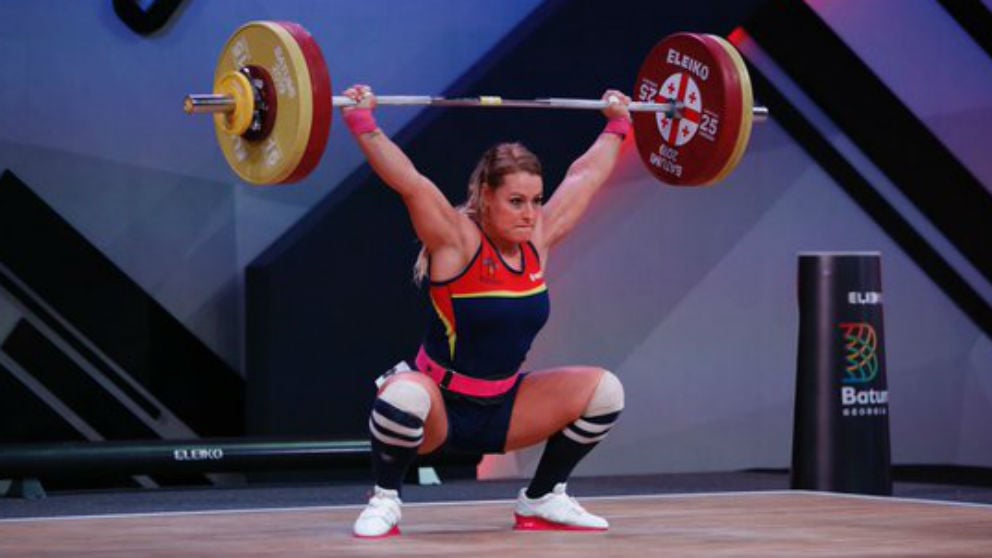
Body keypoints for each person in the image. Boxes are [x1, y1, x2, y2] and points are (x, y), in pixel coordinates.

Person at [341, 83, 630, 538]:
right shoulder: (456, 241)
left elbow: (584, 178)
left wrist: (618, 124)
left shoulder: (537, 241)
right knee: (401, 396)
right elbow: (410, 182)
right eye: (516, 201)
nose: (530, 213)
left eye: (536, 200)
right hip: (440, 406)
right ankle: (385, 499)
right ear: (485, 196)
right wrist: (363, 123)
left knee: (605, 391)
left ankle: (542, 498)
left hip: (503, 407)